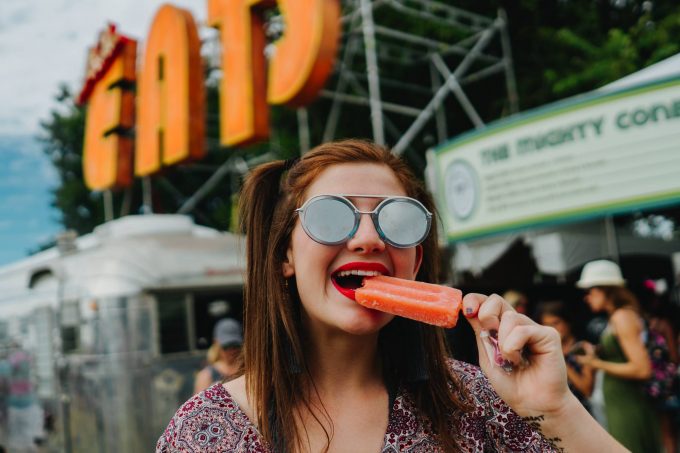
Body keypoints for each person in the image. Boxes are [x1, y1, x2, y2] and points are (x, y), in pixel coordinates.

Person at [157, 140, 624, 452]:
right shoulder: (206, 432)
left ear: (416, 263)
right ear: (286, 256)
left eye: (397, 219)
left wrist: (555, 408)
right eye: (331, 216)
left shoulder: (476, 402)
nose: (369, 238)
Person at [574, 259, 662, 453]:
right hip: (621, 403)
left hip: (627, 406)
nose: (586, 298)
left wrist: (595, 362)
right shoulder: (620, 316)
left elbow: (641, 369)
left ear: (604, 289)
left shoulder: (621, 317)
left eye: (589, 291)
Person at [537, 300, 594, 412]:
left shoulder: (582, 348)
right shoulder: (541, 351)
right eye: (546, 324)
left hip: (581, 412)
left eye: (556, 323)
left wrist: (559, 358)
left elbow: (586, 390)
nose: (552, 329)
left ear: (568, 322)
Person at [193, 318, 243, 394]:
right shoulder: (206, 375)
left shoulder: (248, 371)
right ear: (216, 343)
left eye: (235, 345)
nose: (231, 350)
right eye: (226, 346)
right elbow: (199, 405)